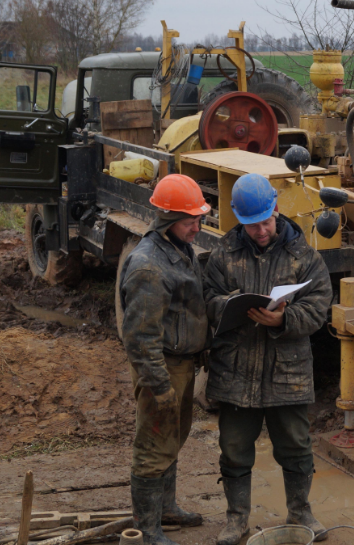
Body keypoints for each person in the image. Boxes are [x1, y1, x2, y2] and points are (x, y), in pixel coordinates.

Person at [203, 173, 333, 545]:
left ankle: (301, 511)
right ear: (237, 220)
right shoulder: (223, 254)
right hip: (236, 371)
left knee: (295, 445)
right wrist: (227, 306)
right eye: (251, 224)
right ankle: (236, 518)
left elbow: (319, 306)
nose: (260, 230)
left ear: (276, 209)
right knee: (234, 448)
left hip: (287, 372)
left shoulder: (303, 256)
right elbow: (208, 299)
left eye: (265, 221)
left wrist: (285, 318)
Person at [120, 174, 211, 545]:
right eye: (191, 221)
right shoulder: (149, 267)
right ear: (167, 219)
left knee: (173, 438)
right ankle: (148, 529)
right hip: (163, 367)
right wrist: (158, 386)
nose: (197, 227)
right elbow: (140, 338)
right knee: (154, 446)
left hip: (182, 364)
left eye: (198, 219)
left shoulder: (178, 249)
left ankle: (167, 508)